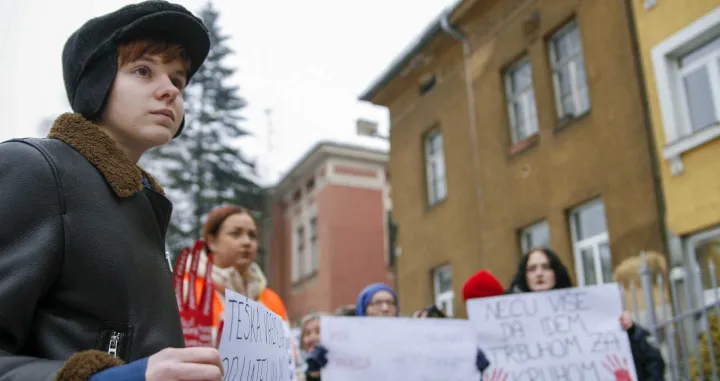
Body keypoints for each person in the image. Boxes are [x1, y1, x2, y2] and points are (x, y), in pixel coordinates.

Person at [0, 1, 225, 380]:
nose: (169, 90)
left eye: (178, 80)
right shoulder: (36, 169)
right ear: (97, 81)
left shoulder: (144, 203)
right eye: (143, 70)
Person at [508, 248, 665, 380]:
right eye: (532, 268)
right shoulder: (511, 321)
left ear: (555, 272)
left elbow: (652, 361)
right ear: (525, 275)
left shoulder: (589, 311)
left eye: (545, 267)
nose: (539, 273)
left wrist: (631, 331)